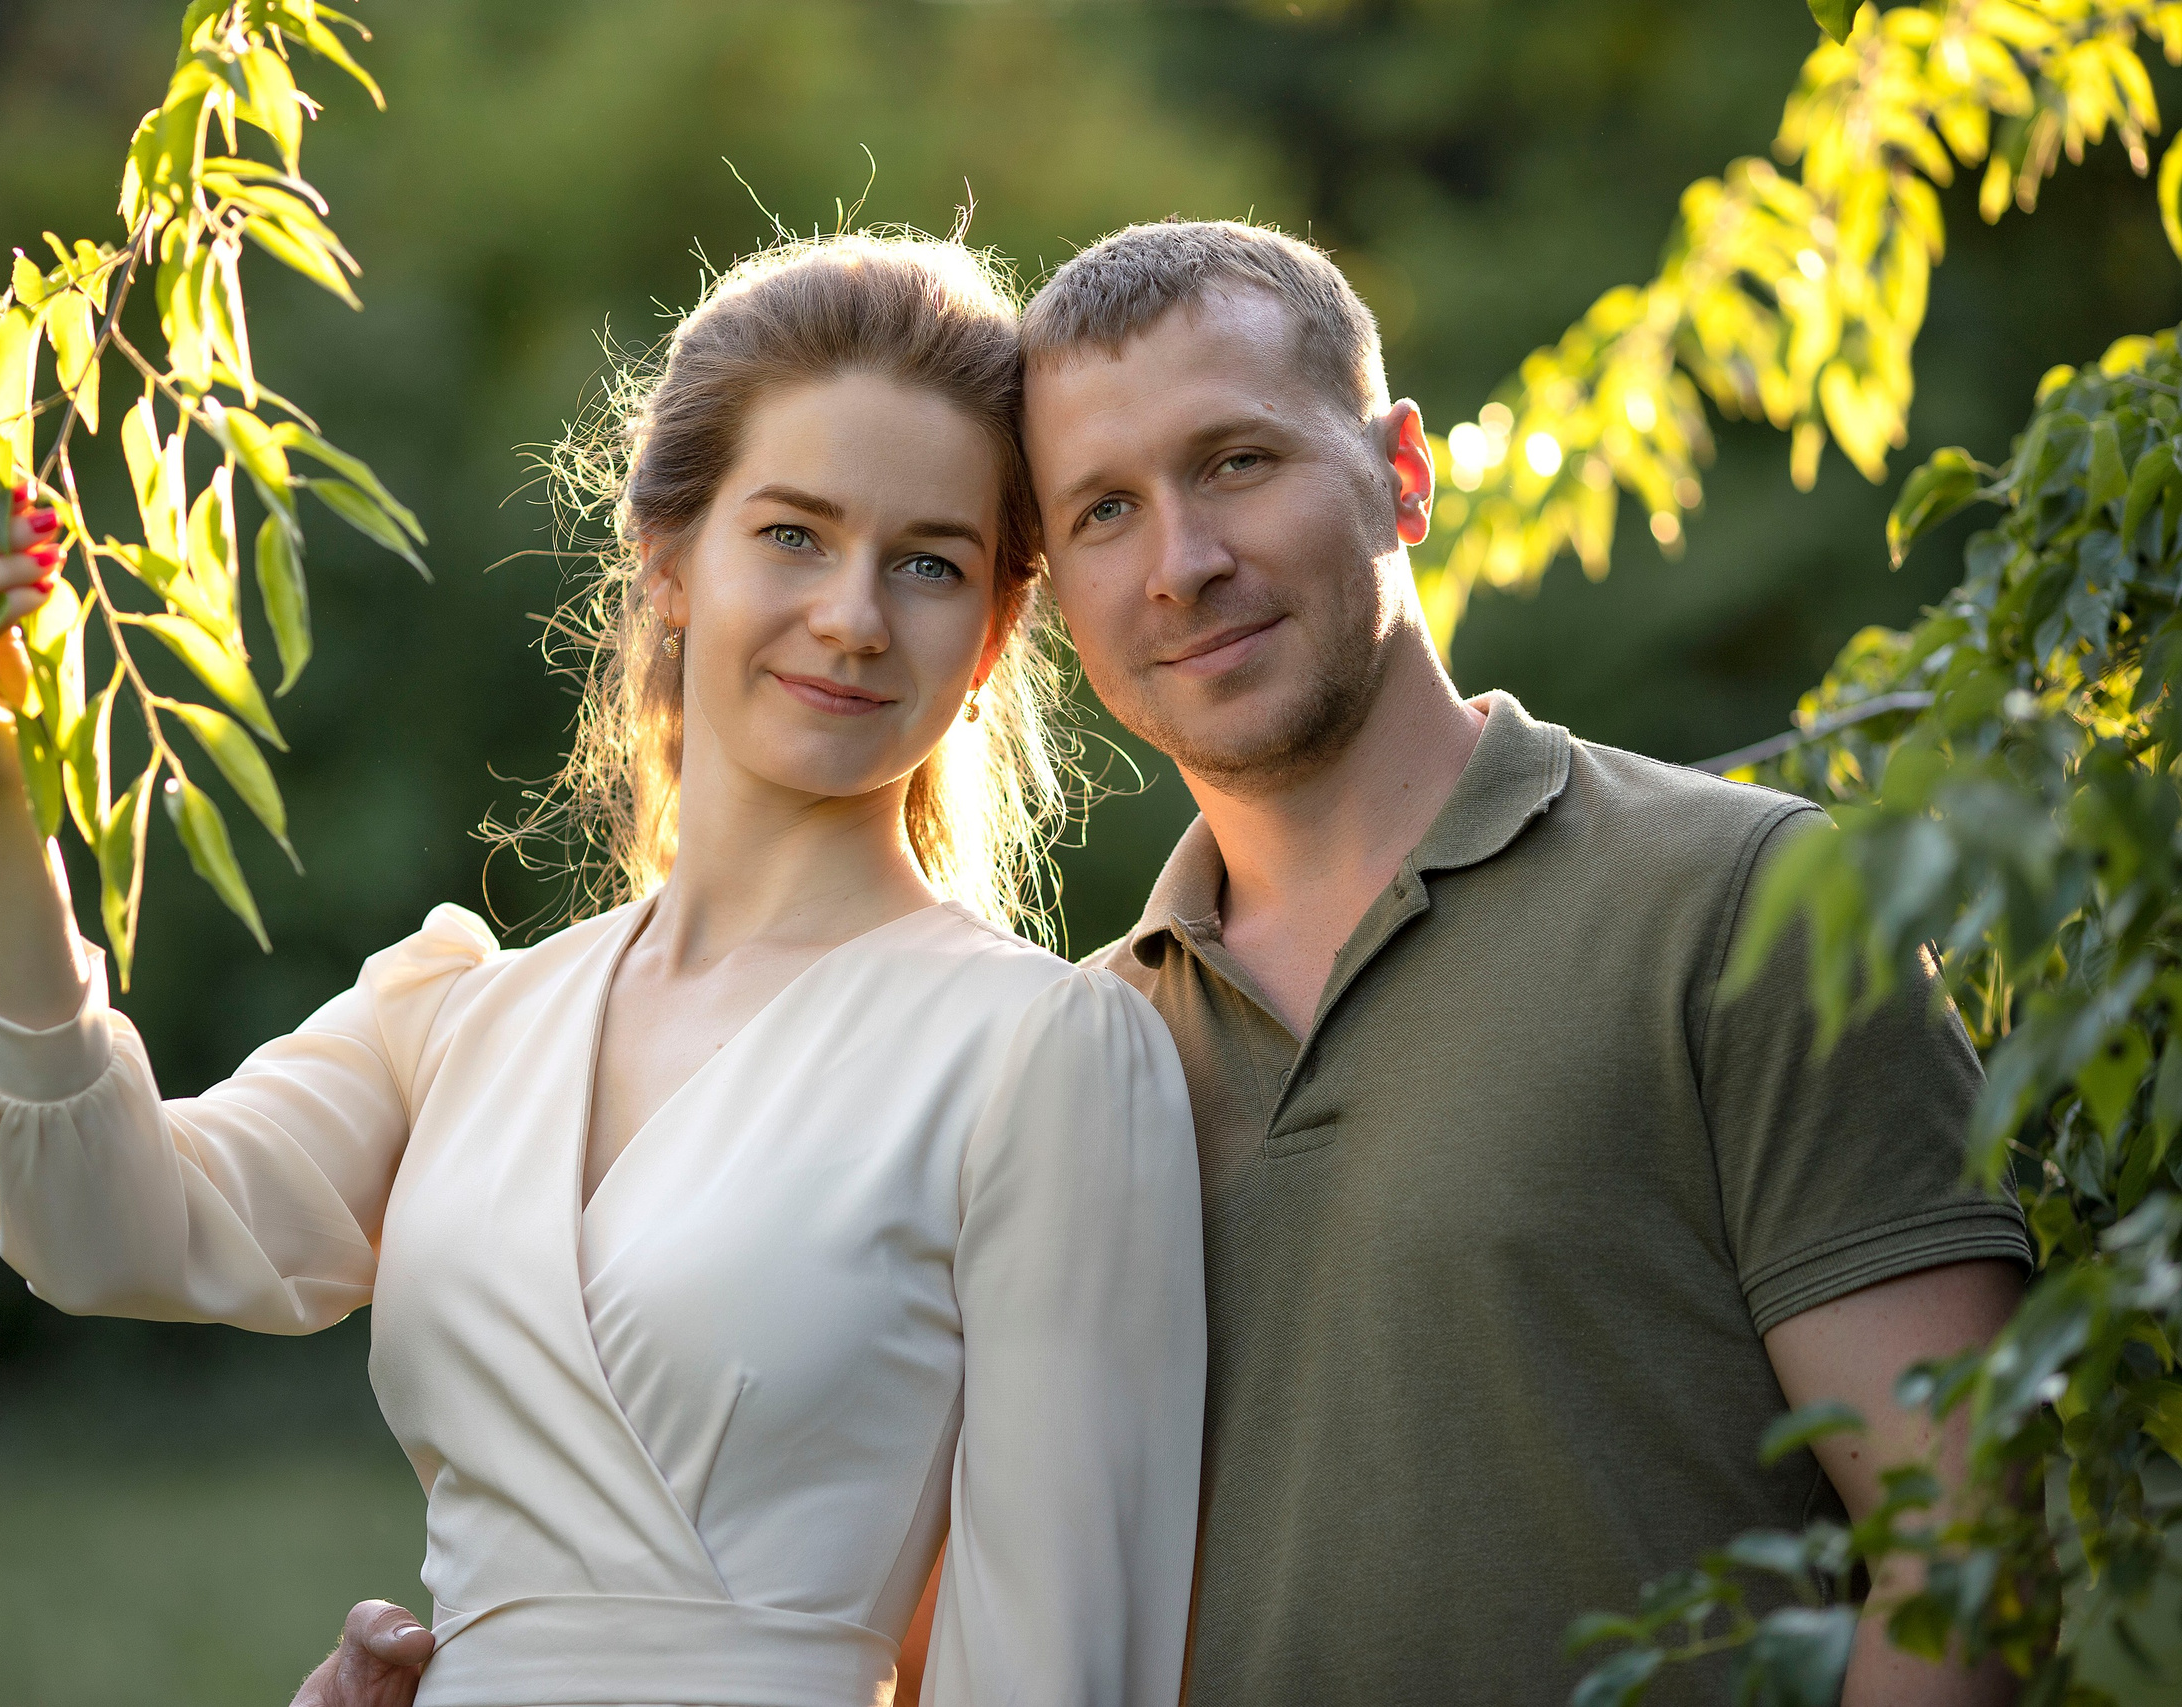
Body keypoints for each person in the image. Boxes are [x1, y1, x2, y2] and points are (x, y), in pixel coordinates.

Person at [297, 221, 2030, 1707]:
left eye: (1238, 464)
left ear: (1403, 474)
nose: (1183, 564)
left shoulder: (1734, 904)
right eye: (1105, 512)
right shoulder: (1077, 1048)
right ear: (1041, 603)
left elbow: (1971, 1547)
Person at [0, 231, 1207, 1706]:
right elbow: (98, 1220)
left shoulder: (1047, 1050)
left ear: (996, 628)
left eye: (930, 563)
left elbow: (1057, 1666)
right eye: (792, 534)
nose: (853, 615)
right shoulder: (460, 1018)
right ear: (670, 554)